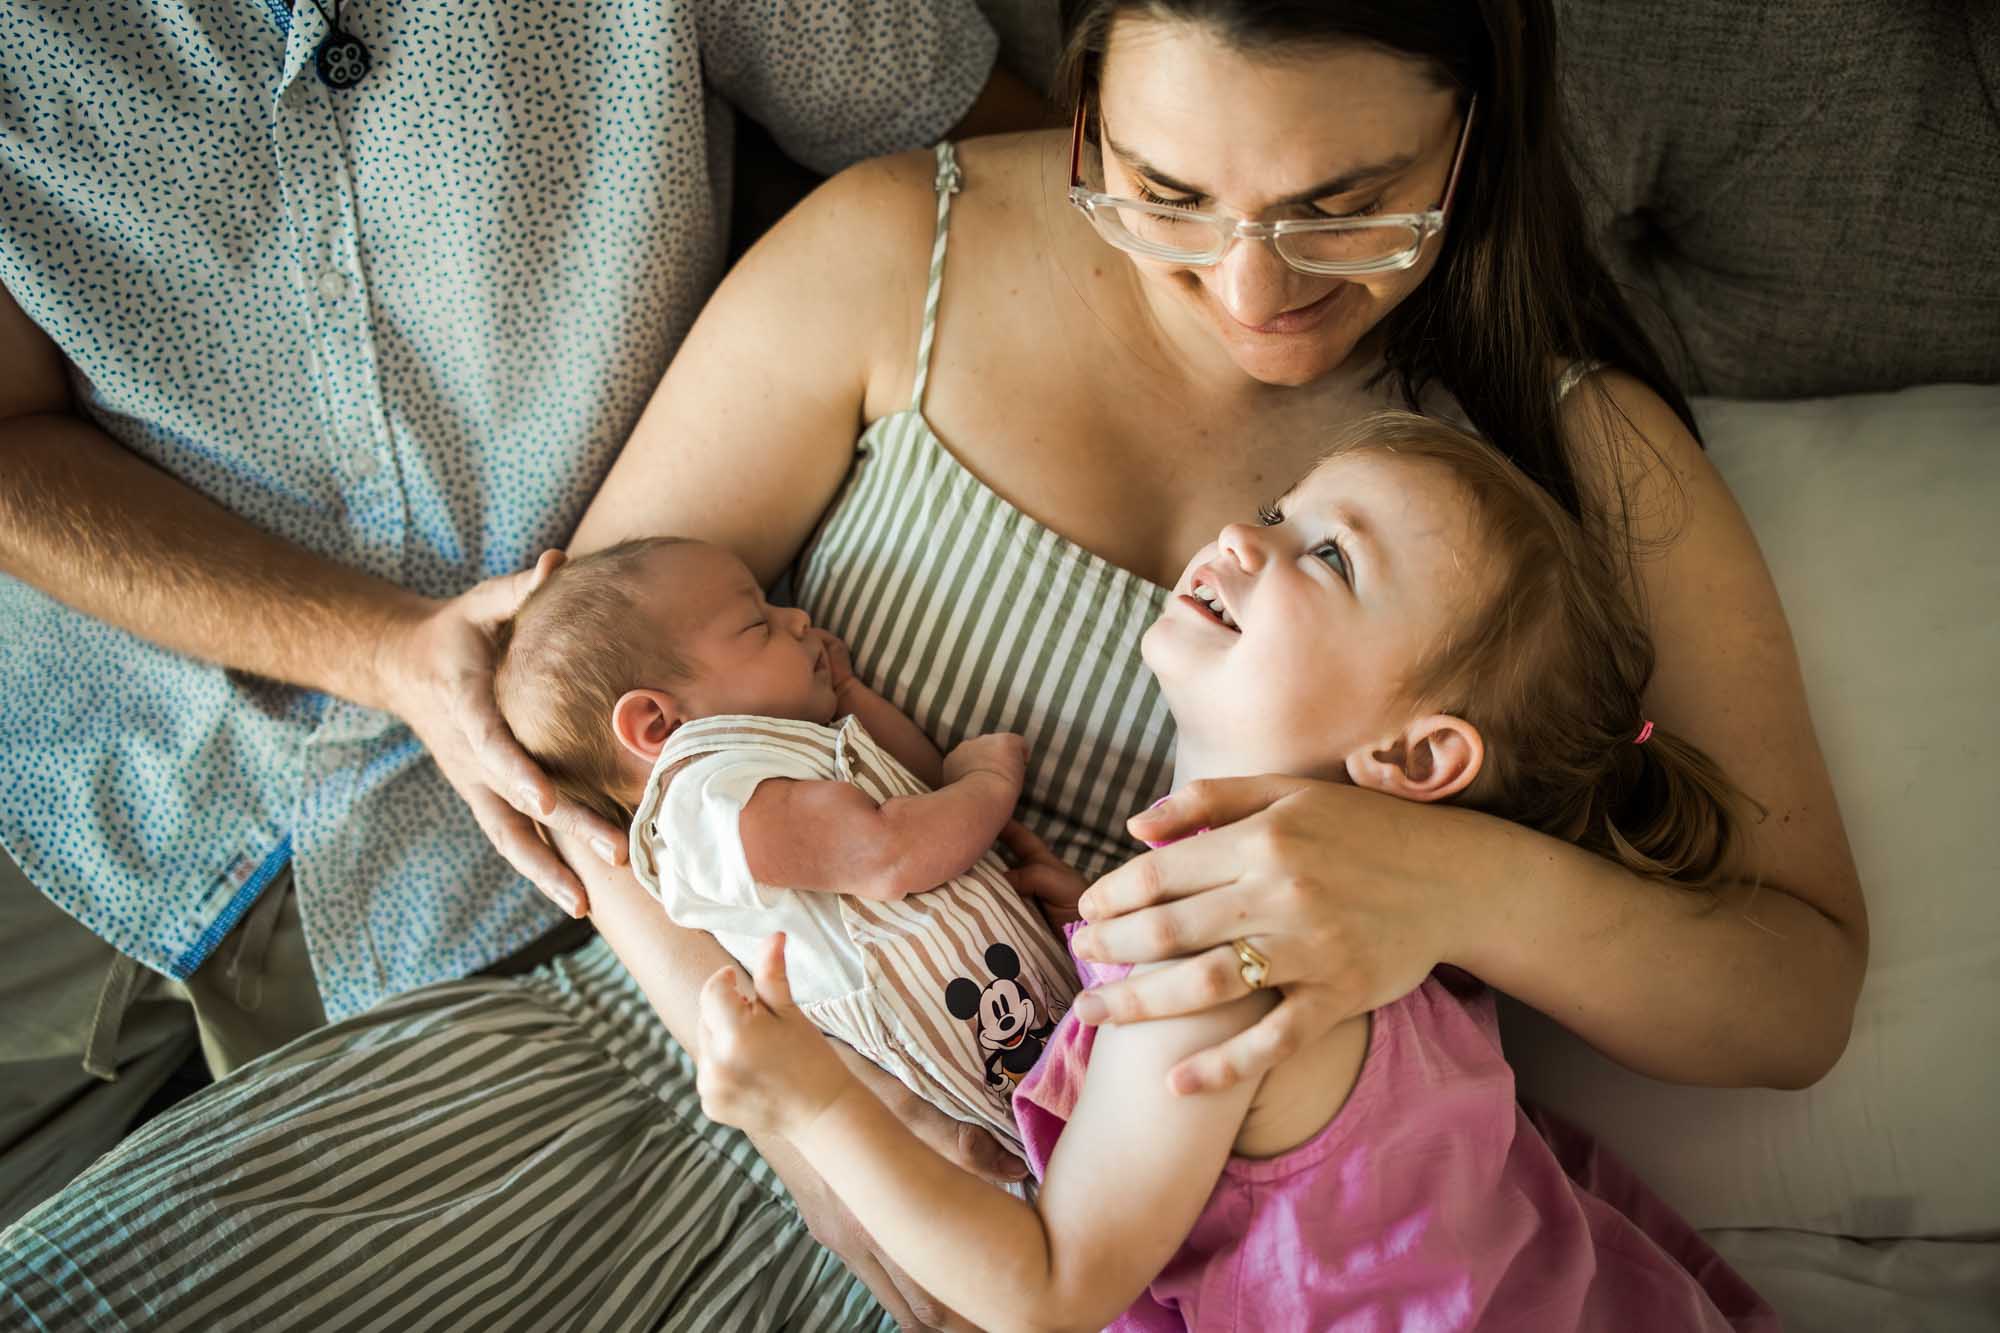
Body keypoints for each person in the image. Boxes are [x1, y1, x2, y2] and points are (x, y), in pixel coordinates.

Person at [0, 1, 1866, 1329]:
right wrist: (758, 1055)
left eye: (1349, 201)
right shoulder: (907, 244)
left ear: (1478, 119)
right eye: (1167, 191)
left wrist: (1452, 880)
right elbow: (571, 735)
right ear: (1085, 101)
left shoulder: (1582, 453)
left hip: (1132, 1241)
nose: (1251, 288)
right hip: (659, 1071)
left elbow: (1790, 997)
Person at [0, 0, 1041, 1249]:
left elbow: (1022, 170)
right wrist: (377, 648)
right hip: (85, 766)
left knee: (301, 1258)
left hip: (492, 855)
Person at [695, 410, 1779, 1332]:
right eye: (1275, 511)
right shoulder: (1390, 927)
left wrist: (813, 1104)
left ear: (1412, 755)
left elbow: (1045, 1287)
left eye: (1328, 555)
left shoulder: (1218, 977)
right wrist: (1094, 942)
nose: (1237, 534)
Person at [494, 537, 1070, 1150]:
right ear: (657, 724)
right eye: (756, 623)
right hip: (971, 1066)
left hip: (1023, 1011)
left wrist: (849, 696)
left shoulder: (779, 758)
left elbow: (923, 796)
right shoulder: (706, 804)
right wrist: (989, 781)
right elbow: (892, 852)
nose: (797, 619)